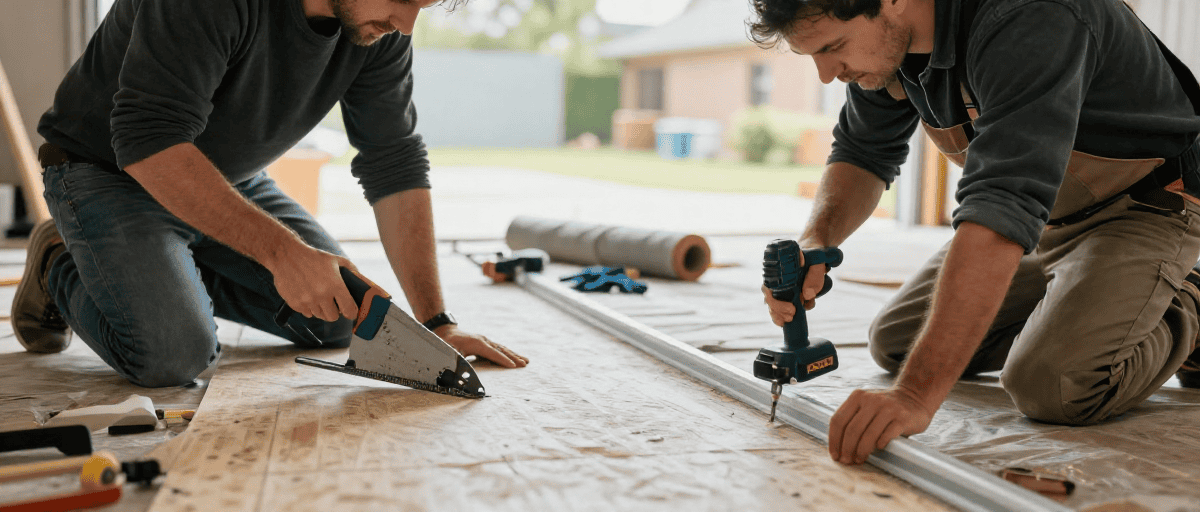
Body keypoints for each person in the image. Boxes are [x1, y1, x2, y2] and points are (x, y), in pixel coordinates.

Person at [752, 0, 1200, 465]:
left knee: (1056, 386)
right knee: (899, 344)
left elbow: (1003, 202)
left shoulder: (1032, 16)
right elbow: (864, 152)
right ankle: (1100, 306)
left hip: (1146, 206)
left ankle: (1190, 304)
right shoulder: (887, 46)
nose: (827, 75)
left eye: (832, 48)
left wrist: (914, 396)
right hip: (1046, 216)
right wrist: (817, 239)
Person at [11, 0, 528, 388]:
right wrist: (282, 253)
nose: (407, 23)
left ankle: (169, 265)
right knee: (173, 355)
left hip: (227, 179)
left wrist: (437, 323)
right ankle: (60, 261)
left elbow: (394, 160)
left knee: (336, 316)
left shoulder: (378, 29)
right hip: (107, 171)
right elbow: (148, 140)